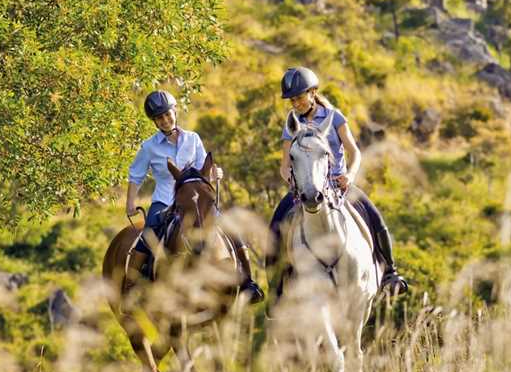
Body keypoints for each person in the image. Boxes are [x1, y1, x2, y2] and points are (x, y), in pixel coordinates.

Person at [267, 68, 409, 295]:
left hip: (337, 184)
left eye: (299, 97)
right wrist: (293, 181)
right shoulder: (292, 124)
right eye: (292, 100)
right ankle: (277, 288)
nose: (296, 103)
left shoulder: (335, 117)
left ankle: (390, 272)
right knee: (276, 224)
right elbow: (285, 165)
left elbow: (355, 152)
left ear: (313, 93)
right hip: (305, 187)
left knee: (374, 216)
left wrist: (350, 176)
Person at [126, 90, 264, 303]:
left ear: (174, 111)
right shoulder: (149, 147)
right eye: (159, 118)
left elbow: (204, 169)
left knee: (231, 229)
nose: (165, 120)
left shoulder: (193, 138)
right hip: (165, 200)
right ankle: (132, 287)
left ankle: (248, 283)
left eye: (167, 115)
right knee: (148, 234)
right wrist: (130, 203)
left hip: (196, 199)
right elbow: (136, 175)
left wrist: (215, 174)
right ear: (154, 122)